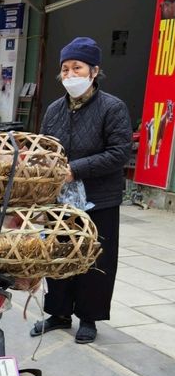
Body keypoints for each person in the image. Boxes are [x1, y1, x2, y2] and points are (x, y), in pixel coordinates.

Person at [30, 37, 132, 344]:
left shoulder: (113, 108)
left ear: (94, 71)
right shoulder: (54, 110)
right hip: (60, 197)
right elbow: (45, 147)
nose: (71, 74)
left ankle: (89, 318)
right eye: (65, 68)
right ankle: (58, 313)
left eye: (78, 67)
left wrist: (76, 169)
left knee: (95, 258)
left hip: (99, 198)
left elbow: (119, 153)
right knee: (59, 253)